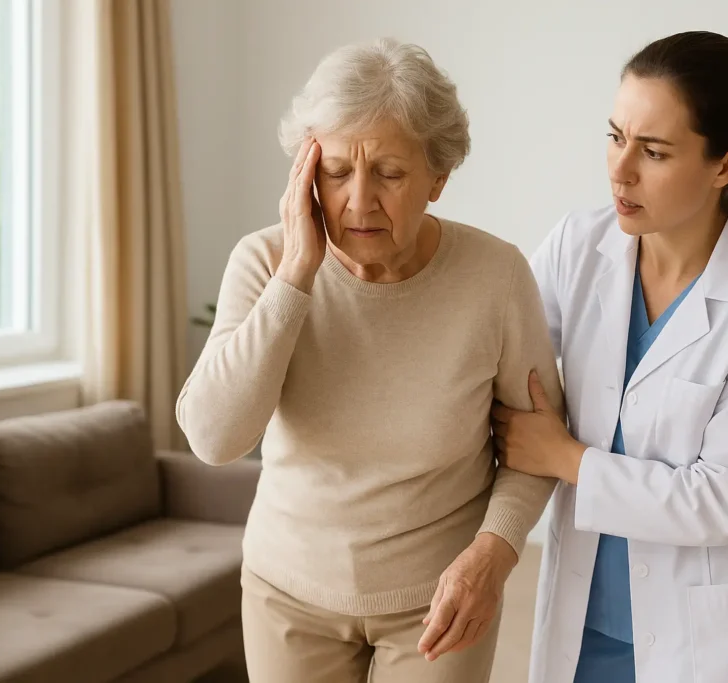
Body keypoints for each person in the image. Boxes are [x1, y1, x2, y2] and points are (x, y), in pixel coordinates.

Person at [176, 38, 563, 683]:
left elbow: (536, 446)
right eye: (335, 172)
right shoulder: (265, 263)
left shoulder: (496, 276)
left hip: (443, 599)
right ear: (304, 174)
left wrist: (493, 555)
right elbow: (215, 439)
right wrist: (296, 276)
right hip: (286, 592)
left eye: (389, 172)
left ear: (438, 177)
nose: (359, 200)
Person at [490, 31, 728, 683]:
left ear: (727, 164)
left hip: (708, 636)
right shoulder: (577, 245)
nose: (620, 170)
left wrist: (564, 456)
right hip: (584, 618)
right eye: (615, 137)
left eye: (654, 151)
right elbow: (500, 360)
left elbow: (718, 499)